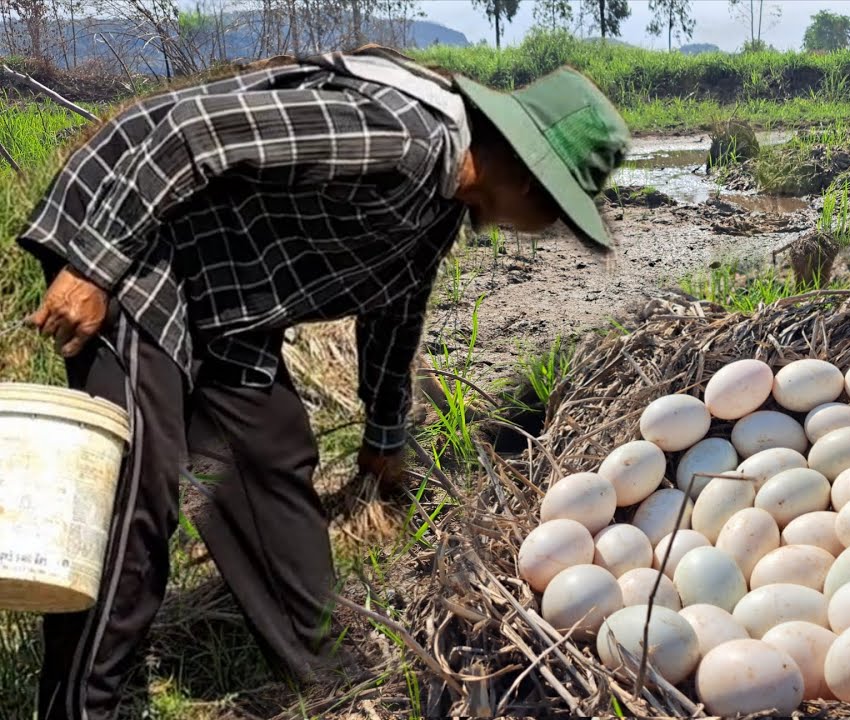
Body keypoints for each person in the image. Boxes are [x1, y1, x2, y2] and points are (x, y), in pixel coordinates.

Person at [16, 43, 629, 720]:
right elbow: (192, 134)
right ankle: (78, 706)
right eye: (557, 210)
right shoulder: (401, 138)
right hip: (137, 233)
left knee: (268, 453)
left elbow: (395, 312)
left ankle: (320, 670)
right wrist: (97, 264)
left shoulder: (437, 209)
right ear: (527, 176)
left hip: (225, 283)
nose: (546, 230)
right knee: (140, 490)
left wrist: (384, 437)